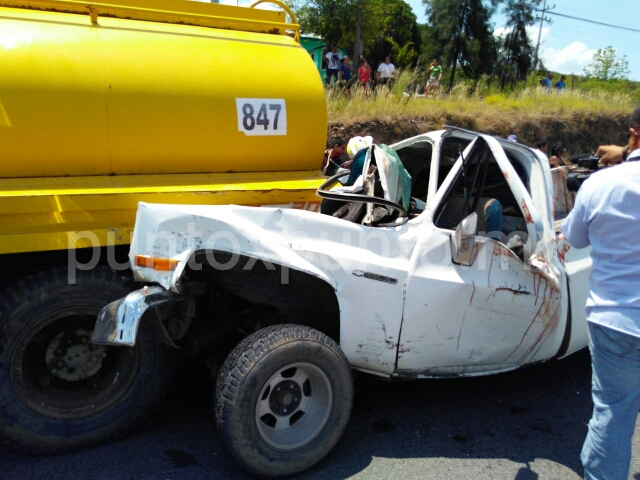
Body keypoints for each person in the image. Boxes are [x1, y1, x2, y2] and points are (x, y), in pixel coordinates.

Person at [561, 104, 640, 480]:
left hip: (616, 320)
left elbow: (573, 239)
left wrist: (620, 160)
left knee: (612, 413)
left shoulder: (600, 184)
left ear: (633, 132)